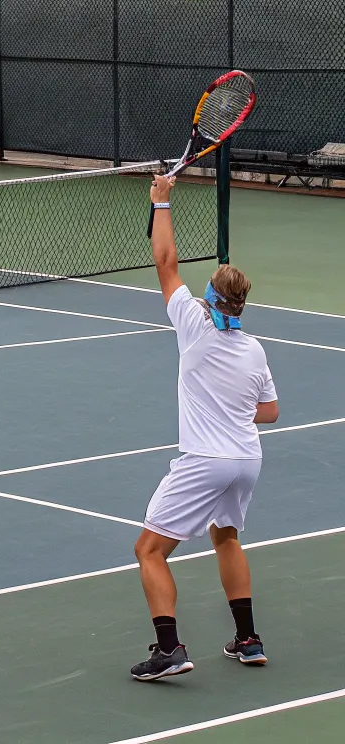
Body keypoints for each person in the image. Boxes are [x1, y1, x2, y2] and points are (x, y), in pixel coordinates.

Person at [129, 174, 279, 682]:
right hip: (246, 461)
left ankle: (168, 649)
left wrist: (162, 201)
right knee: (227, 538)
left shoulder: (194, 328)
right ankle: (248, 639)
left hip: (207, 462)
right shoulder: (254, 349)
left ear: (212, 300)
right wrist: (234, 412)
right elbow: (270, 411)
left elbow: (166, 264)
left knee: (149, 550)